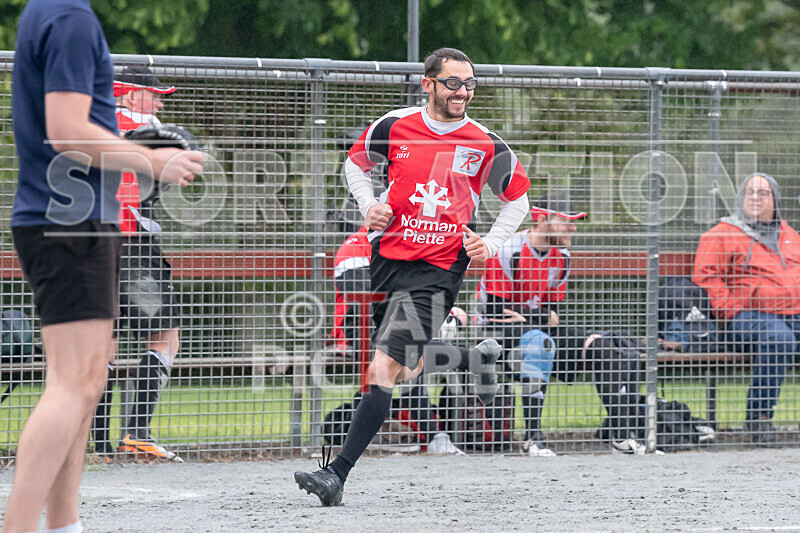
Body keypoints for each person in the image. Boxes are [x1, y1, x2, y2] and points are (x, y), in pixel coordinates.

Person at [294, 47, 531, 506]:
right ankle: (470, 361)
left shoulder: (484, 143)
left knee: (381, 367)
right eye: (453, 83)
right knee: (405, 368)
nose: (463, 92)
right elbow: (355, 164)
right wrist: (368, 206)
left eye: (470, 84)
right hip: (387, 259)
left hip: (439, 269)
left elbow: (517, 200)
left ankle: (336, 475)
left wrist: (493, 242)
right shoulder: (395, 125)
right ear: (429, 84)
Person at [5, 1, 203, 530]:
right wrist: (153, 160)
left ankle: (64, 523)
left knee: (84, 381)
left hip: (71, 219)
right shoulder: (69, 18)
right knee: (73, 384)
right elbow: (68, 132)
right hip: (72, 222)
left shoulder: (49, 12)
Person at [91, 66, 184, 462]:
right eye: (154, 94)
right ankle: (136, 433)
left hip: (91, 242)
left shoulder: (95, 120)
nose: (160, 101)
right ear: (131, 95)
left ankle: (98, 446)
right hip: (130, 243)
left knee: (102, 345)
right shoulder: (140, 124)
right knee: (164, 338)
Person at [330, 226, 469, 455]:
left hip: (401, 327)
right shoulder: (355, 245)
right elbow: (364, 300)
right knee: (403, 352)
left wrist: (446, 312)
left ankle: (430, 436)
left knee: (402, 353)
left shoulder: (412, 238)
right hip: (359, 329)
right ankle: (468, 359)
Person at [693, 172, 800, 446]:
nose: (755, 197)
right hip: (745, 319)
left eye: (763, 193)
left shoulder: (791, 236)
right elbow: (706, 277)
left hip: (792, 313)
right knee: (779, 338)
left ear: (775, 199)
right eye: (750, 192)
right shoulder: (721, 234)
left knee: (782, 333)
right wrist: (730, 311)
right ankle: (759, 418)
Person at [477, 192, 585, 456]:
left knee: (600, 343)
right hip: (495, 331)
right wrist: (538, 317)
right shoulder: (508, 248)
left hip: (535, 328)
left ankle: (624, 435)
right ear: (542, 220)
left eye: (574, 221)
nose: (573, 227)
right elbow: (494, 310)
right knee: (540, 341)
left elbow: (554, 315)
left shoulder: (563, 257)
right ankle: (532, 438)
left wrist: (528, 316)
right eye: (566, 221)